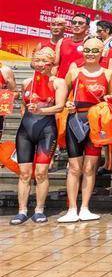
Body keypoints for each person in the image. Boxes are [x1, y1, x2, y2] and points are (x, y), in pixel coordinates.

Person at [10, 48, 67, 225]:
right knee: (24, 173)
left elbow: (60, 106)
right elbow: (23, 104)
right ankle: (22, 210)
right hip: (26, 130)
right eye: (38, 61)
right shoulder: (27, 82)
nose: (41, 64)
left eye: (45, 61)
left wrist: (41, 111)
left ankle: (39, 209)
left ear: (52, 64)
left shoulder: (58, 82)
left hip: (46, 130)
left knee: (41, 173)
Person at [60, 37, 112, 222]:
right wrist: (66, 103)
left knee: (90, 168)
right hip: (75, 121)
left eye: (95, 51)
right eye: (87, 50)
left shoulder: (108, 74)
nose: (90, 54)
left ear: (102, 53)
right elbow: (62, 96)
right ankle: (71, 209)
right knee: (74, 168)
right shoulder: (74, 72)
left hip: (95, 123)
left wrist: (110, 99)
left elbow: (111, 97)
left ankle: (85, 207)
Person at [55, 13, 90, 78]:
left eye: (80, 23)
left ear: (87, 27)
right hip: (61, 81)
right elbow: (55, 66)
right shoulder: (62, 41)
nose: (76, 25)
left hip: (80, 82)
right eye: (74, 23)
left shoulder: (90, 43)